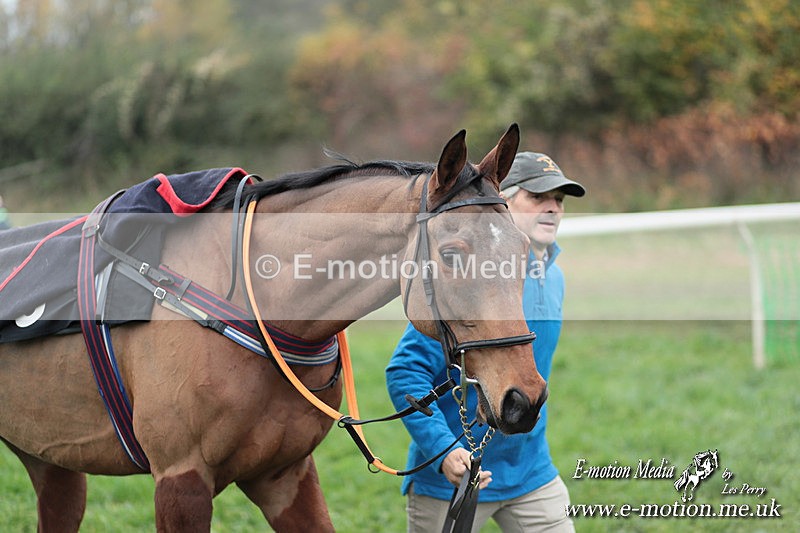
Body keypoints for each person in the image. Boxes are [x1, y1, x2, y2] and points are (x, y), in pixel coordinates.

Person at [386, 151, 585, 532]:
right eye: (537, 197)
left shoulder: (553, 276)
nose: (552, 209)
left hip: (531, 472)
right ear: (503, 202)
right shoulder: (471, 283)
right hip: (454, 480)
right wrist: (444, 452)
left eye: (558, 200)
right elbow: (405, 373)